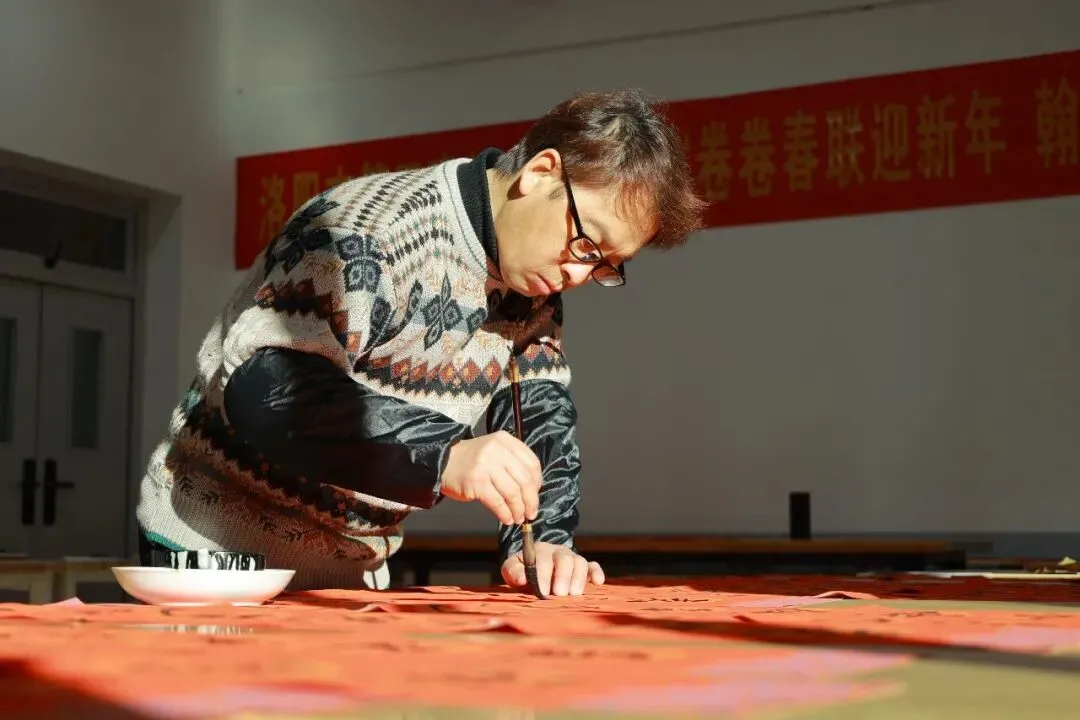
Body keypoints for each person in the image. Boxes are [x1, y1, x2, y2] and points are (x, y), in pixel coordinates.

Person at [135, 88, 706, 596]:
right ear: (540, 172)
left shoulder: (531, 286)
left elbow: (536, 413)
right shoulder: (364, 230)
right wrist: (444, 455)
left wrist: (545, 541)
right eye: (585, 244)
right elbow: (266, 391)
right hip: (216, 553)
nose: (579, 274)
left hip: (351, 572)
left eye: (606, 265)